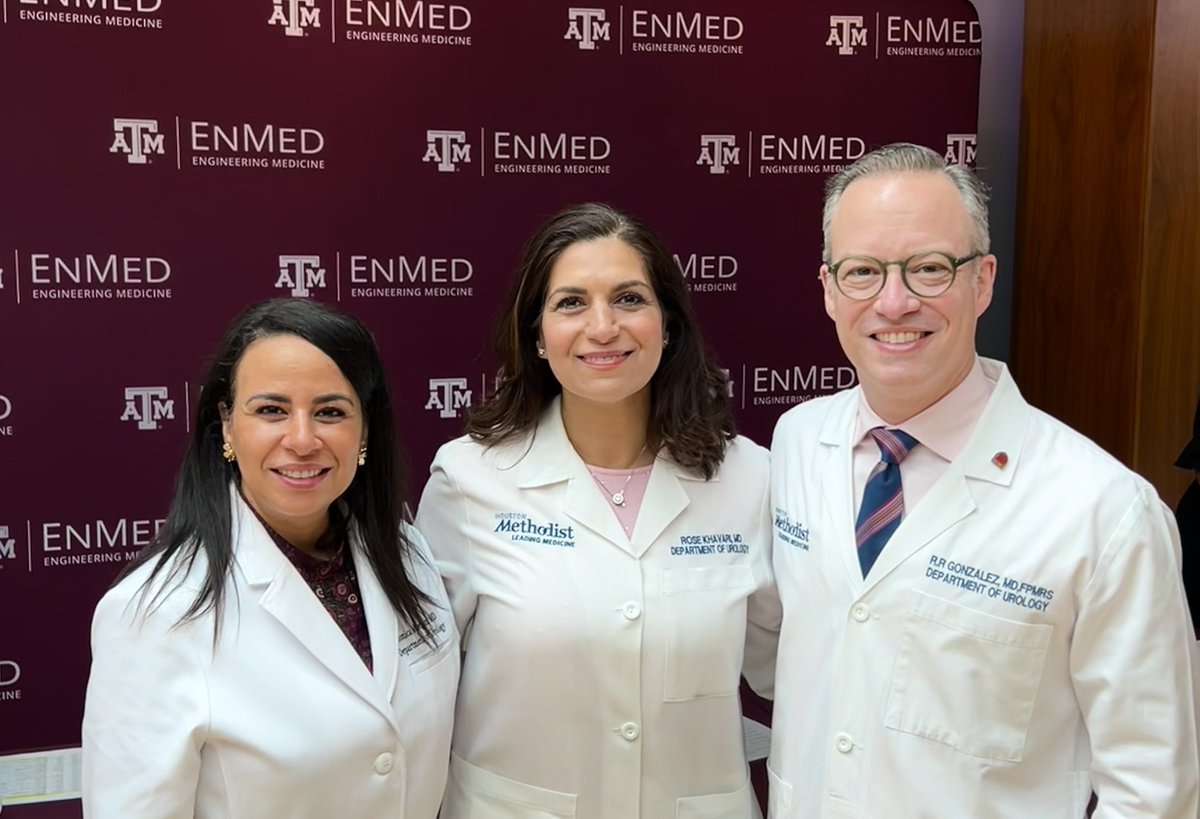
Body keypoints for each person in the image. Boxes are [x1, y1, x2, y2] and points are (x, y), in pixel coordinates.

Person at [767, 143, 1199, 818]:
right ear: (828, 289)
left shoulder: (1105, 511)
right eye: (862, 272)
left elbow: (1152, 790)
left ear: (983, 280)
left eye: (930, 269)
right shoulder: (795, 444)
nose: (894, 301)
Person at [415, 202, 780, 818]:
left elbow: (792, 675)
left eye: (630, 298)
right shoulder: (469, 480)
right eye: (571, 303)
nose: (603, 326)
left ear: (668, 324)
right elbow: (416, 692)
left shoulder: (750, 477)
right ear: (536, 334)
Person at [81, 299, 458, 819]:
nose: (302, 440)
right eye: (271, 411)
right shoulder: (155, 614)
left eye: (330, 411)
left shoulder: (408, 555)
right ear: (228, 427)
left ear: (365, 430)